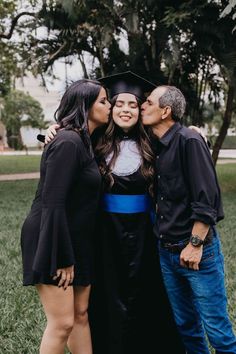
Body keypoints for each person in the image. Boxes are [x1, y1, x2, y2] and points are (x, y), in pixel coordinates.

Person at [44, 71, 186, 354]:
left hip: (144, 231)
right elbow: (68, 144)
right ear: (109, 109)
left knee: (145, 294)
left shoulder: (155, 143)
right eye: (118, 103)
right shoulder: (93, 142)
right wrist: (52, 127)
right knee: (103, 297)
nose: (125, 110)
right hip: (103, 231)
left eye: (133, 105)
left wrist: (194, 131)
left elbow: (179, 138)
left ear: (142, 109)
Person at [141, 84, 236, 354]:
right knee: (186, 327)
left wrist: (195, 244)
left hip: (196, 252)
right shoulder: (156, 145)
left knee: (217, 330)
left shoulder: (189, 141)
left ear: (165, 111)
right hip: (167, 252)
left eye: (148, 102)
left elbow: (206, 200)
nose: (142, 106)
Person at [21, 79, 111, 354]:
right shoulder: (68, 142)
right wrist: (62, 256)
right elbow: (53, 203)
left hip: (77, 237)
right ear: (85, 105)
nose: (110, 107)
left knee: (81, 314)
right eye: (104, 101)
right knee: (62, 323)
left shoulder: (84, 141)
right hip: (53, 236)